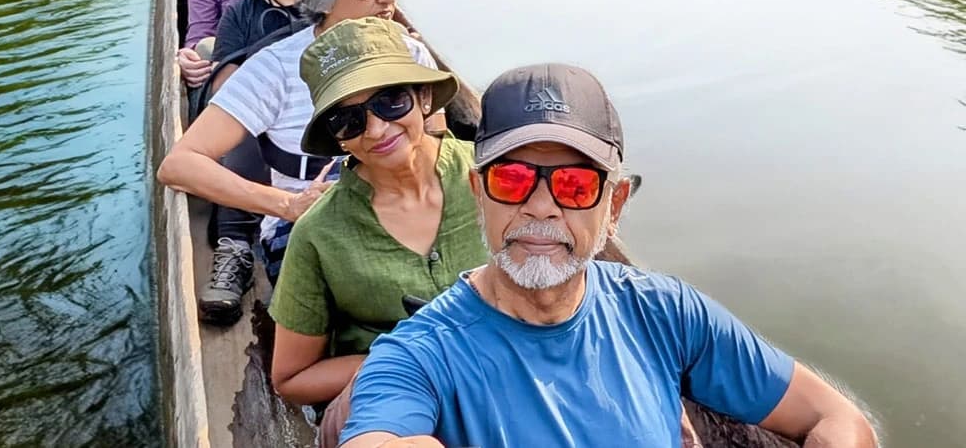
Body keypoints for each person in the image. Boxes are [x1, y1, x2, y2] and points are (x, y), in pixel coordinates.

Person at [338, 64, 879, 448]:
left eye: (574, 185)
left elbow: (835, 417)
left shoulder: (664, 313)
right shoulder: (419, 354)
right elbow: (383, 432)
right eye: (513, 179)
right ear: (478, 192)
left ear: (614, 204)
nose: (542, 208)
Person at [156, 0, 438, 295]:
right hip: (310, 227)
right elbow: (179, 165)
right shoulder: (275, 68)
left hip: (401, 211)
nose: (388, 0)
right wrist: (288, 204)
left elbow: (437, 144)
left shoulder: (412, 54)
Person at [269, 17, 490, 447]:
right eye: (348, 120)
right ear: (336, 138)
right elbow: (291, 378)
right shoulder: (319, 233)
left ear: (423, 96)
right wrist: (409, 362)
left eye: (390, 101)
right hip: (386, 400)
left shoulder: (492, 177)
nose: (376, 129)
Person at [194, 0, 332, 325]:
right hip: (266, 143)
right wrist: (281, 46)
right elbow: (223, 88)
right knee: (247, 125)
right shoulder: (243, 12)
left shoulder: (338, 7)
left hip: (331, 141)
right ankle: (235, 244)